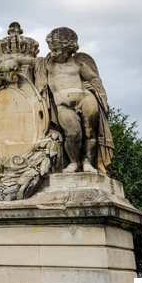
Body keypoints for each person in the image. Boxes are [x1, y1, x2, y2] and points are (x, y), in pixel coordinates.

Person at [34, 27, 113, 173]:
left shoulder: (78, 64)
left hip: (85, 99)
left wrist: (95, 88)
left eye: (58, 50)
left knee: (89, 132)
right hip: (63, 105)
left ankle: (87, 162)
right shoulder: (47, 64)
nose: (54, 53)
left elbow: (95, 78)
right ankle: (74, 162)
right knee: (73, 133)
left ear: (70, 48)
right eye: (52, 49)